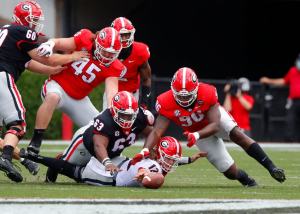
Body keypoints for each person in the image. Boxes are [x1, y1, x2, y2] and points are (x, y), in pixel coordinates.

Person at [133, 67, 286, 187]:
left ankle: (271, 167)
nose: (184, 99)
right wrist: (145, 150)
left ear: (196, 88)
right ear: (173, 90)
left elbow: (214, 125)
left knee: (237, 135)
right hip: (197, 133)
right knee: (229, 172)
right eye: (180, 95)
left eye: (187, 95)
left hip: (210, 124)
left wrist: (196, 135)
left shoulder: (207, 92)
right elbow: (157, 131)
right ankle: (246, 179)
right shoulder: (166, 101)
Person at [0, 0, 88, 182]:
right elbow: (47, 59)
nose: (35, 23)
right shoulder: (22, 32)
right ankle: (6, 159)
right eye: (32, 19)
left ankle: (21, 159)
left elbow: (29, 63)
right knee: (18, 124)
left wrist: (52, 71)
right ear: (22, 19)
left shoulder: (9, 33)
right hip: (2, 76)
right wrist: (72, 56)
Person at [27, 26, 126, 155]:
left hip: (78, 99)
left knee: (102, 128)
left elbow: (111, 93)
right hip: (57, 85)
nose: (107, 56)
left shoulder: (115, 66)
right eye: (105, 51)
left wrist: (112, 113)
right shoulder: (85, 39)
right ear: (97, 43)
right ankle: (36, 141)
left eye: (112, 53)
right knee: (53, 97)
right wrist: (50, 44)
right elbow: (59, 42)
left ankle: (66, 158)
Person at [44, 91, 155, 182]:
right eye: (123, 115)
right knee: (65, 164)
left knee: (101, 175)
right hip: (86, 143)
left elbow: (153, 133)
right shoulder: (105, 120)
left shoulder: (140, 118)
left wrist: (147, 150)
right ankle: (51, 175)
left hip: (112, 150)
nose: (126, 119)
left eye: (130, 116)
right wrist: (107, 162)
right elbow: (99, 145)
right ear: (114, 111)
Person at [20, 136, 206, 187]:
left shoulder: (156, 159)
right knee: (75, 172)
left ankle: (63, 157)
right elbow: (156, 178)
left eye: (173, 160)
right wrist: (146, 176)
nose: (171, 163)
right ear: (159, 156)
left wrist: (189, 159)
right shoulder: (154, 166)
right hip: (112, 177)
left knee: (77, 166)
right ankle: (30, 156)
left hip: (121, 163)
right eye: (169, 158)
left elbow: (168, 162)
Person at [102, 17, 152, 109]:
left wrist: (144, 102)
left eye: (127, 34)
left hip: (132, 95)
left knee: (130, 123)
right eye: (121, 35)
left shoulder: (140, 51)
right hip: (111, 94)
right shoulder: (105, 50)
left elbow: (146, 79)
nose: (124, 38)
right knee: (108, 122)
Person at [260, 54, 300, 142]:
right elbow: (283, 81)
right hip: (293, 101)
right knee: (290, 120)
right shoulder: (292, 71)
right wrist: (268, 80)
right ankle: (289, 141)